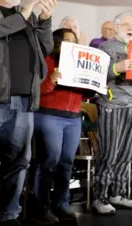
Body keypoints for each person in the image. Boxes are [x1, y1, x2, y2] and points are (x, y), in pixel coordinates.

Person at [0, 0, 56, 226]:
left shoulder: (25, 17)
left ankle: (7, 215)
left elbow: (46, 48)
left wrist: (45, 22)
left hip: (24, 102)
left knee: (17, 165)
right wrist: (23, 16)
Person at [33, 28, 95, 224]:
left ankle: (61, 204)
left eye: (73, 39)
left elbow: (84, 94)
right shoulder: (46, 60)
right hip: (49, 115)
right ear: (56, 42)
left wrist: (93, 85)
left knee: (66, 163)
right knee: (49, 162)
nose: (70, 42)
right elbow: (36, 91)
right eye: (66, 39)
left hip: (74, 117)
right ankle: (41, 207)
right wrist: (51, 81)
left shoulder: (79, 63)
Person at [92, 12, 132, 215]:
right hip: (112, 105)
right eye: (126, 24)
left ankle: (118, 194)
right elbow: (95, 74)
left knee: (127, 154)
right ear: (116, 26)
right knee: (109, 153)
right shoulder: (105, 47)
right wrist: (116, 67)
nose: (131, 27)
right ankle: (100, 197)